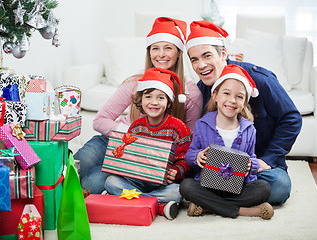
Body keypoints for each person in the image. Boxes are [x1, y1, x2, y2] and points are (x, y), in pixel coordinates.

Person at [74, 17, 203, 194]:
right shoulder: (136, 82)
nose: (161, 54)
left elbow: (190, 141)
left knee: (94, 183)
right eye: (155, 48)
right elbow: (100, 121)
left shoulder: (190, 93)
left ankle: (126, 192)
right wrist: (136, 136)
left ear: (179, 53)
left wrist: (170, 163)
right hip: (120, 139)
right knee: (83, 160)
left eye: (168, 48)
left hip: (150, 159)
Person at [185, 20, 302, 205]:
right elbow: (197, 138)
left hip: (258, 168)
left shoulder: (259, 79)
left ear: (223, 54)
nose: (201, 65)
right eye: (195, 60)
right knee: (185, 181)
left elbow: (292, 118)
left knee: (279, 187)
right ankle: (240, 203)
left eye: (207, 56)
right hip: (218, 169)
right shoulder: (203, 90)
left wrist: (268, 159)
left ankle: (212, 202)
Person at [180, 64, 273, 219]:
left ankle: (208, 206)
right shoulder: (202, 124)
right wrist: (197, 156)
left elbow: (252, 156)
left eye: (239, 96)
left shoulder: (249, 129)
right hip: (208, 185)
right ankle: (241, 211)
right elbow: (190, 154)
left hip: (238, 186)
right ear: (215, 95)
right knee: (186, 187)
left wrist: (252, 164)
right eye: (227, 93)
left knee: (263, 188)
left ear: (244, 102)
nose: (232, 100)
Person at [104, 68, 192, 220]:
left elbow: (186, 159)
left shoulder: (178, 127)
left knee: (177, 192)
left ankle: (130, 199)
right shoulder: (136, 127)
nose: (153, 102)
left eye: (160, 98)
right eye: (148, 96)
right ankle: (158, 205)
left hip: (163, 183)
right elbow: (128, 155)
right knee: (111, 181)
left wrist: (177, 171)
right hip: (138, 179)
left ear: (169, 102)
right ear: (141, 100)